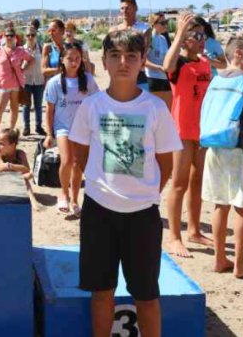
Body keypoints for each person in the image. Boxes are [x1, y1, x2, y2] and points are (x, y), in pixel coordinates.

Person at [69, 29, 181, 337]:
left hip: (143, 215)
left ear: (143, 60)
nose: (123, 62)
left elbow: (166, 164)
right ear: (103, 61)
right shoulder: (91, 106)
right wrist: (107, 191)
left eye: (131, 56)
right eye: (115, 56)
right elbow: (81, 156)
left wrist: (142, 195)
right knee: (101, 291)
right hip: (98, 212)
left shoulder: (156, 108)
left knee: (146, 295)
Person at [201, 36, 243, 279]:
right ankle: (240, 264)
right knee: (241, 206)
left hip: (213, 146)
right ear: (239, 53)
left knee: (220, 204)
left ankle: (220, 258)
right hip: (238, 149)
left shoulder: (216, 80)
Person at [163, 13, 213, 257]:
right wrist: (180, 32)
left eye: (203, 35)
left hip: (202, 130)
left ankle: (194, 230)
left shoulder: (205, 62)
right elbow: (166, 66)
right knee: (179, 183)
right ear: (184, 39)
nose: (201, 39)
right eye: (195, 35)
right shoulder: (179, 64)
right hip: (181, 130)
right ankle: (174, 237)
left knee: (198, 182)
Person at [43, 41, 99, 215]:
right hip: (63, 128)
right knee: (66, 161)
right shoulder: (54, 83)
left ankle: (75, 200)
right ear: (62, 60)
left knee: (78, 165)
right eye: (70, 58)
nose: (74, 62)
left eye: (77, 58)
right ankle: (63, 194)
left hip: (83, 129)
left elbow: (96, 103)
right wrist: (48, 133)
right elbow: (50, 110)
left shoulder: (88, 81)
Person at [0, 28, 33, 139]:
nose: (9, 37)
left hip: (17, 84)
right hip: (3, 85)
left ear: (15, 38)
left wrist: (23, 69)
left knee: (14, 108)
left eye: (11, 35)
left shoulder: (19, 50)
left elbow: (31, 59)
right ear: (4, 37)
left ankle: (12, 131)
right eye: (7, 35)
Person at [111, 0, 151, 91]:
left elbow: (145, 52)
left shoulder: (144, 29)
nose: (125, 11)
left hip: (139, 74)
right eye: (122, 8)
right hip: (118, 73)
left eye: (128, 8)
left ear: (135, 8)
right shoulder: (113, 31)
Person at [0, 128, 34, 195]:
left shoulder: (20, 153)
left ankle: (33, 202)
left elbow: (26, 169)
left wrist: (9, 166)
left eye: (1, 144)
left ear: (12, 145)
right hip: (4, 182)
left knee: (28, 177)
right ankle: (33, 201)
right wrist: (13, 167)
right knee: (25, 177)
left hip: (18, 182)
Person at [144, 13, 172, 110]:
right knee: (155, 111)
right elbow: (143, 61)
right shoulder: (150, 38)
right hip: (153, 78)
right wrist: (159, 68)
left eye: (166, 22)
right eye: (163, 23)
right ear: (154, 24)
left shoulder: (163, 38)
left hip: (165, 78)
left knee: (167, 110)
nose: (166, 25)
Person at [22, 26, 46, 136]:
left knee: (38, 106)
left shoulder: (42, 49)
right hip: (26, 81)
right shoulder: (21, 50)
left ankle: (38, 126)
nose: (30, 37)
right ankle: (26, 127)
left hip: (39, 81)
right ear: (25, 37)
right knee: (26, 106)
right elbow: (18, 67)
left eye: (33, 35)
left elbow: (45, 65)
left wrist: (45, 80)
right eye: (28, 35)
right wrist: (26, 64)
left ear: (36, 36)